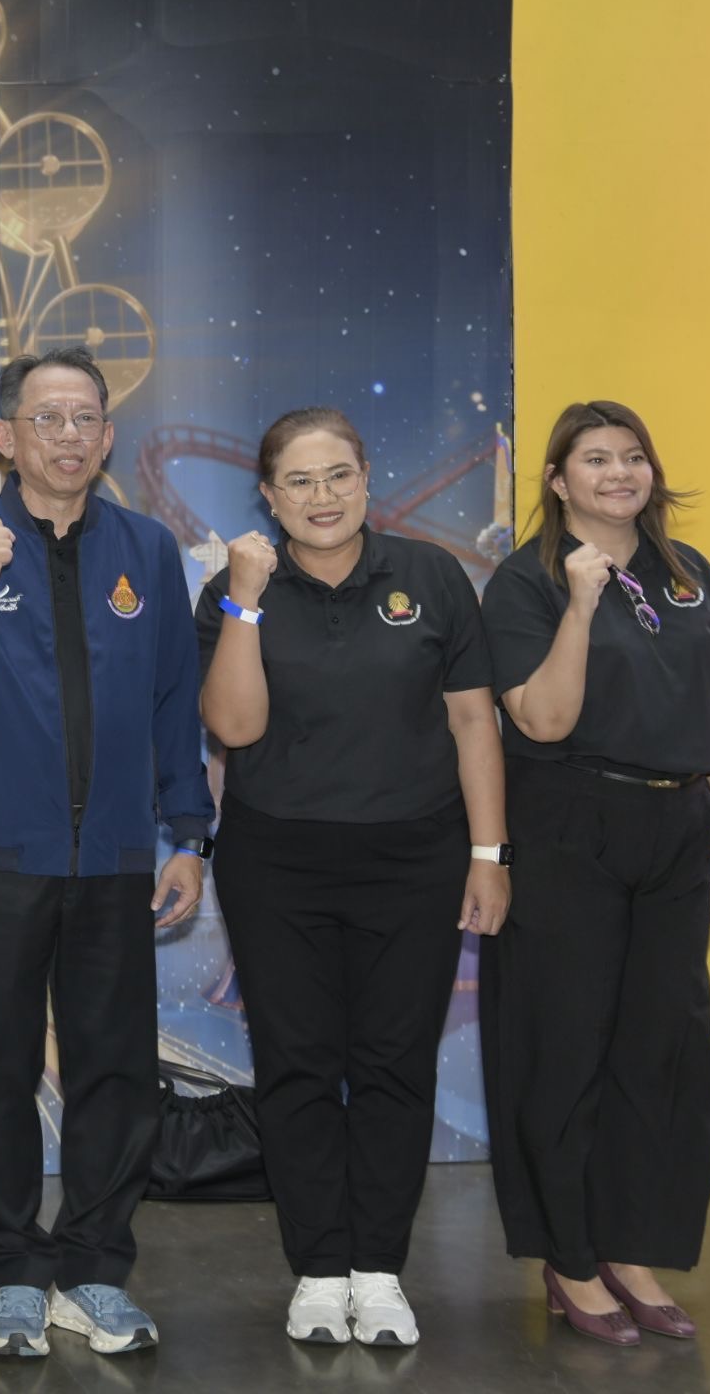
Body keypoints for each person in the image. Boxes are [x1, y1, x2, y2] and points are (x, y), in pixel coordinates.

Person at [0, 346, 214, 1360]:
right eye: (47, 418)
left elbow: (175, 700)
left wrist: (188, 833)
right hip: (5, 854)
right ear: (7, 437)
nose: (68, 436)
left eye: (85, 419)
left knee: (112, 1069)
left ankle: (93, 1269)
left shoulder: (147, 551)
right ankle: (12, 1273)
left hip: (118, 856)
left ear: (108, 437)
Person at [193, 407, 511, 1350]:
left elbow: (473, 722)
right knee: (296, 1067)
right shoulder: (234, 588)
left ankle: (377, 1269)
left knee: (393, 1065)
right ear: (268, 495)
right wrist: (245, 600)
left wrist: (489, 855)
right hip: (276, 864)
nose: (322, 497)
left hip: (414, 861)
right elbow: (234, 728)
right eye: (299, 481)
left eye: (338, 476)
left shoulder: (431, 576)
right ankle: (319, 1270)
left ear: (367, 479)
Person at [479, 400, 710, 1347]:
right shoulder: (527, 581)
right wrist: (583, 604)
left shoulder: (689, 573)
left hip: (677, 824)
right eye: (596, 459)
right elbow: (542, 720)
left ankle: (631, 1248)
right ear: (559, 482)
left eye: (633, 456)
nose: (620, 473)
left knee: (658, 1049)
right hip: (570, 826)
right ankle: (570, 1258)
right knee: (566, 1047)